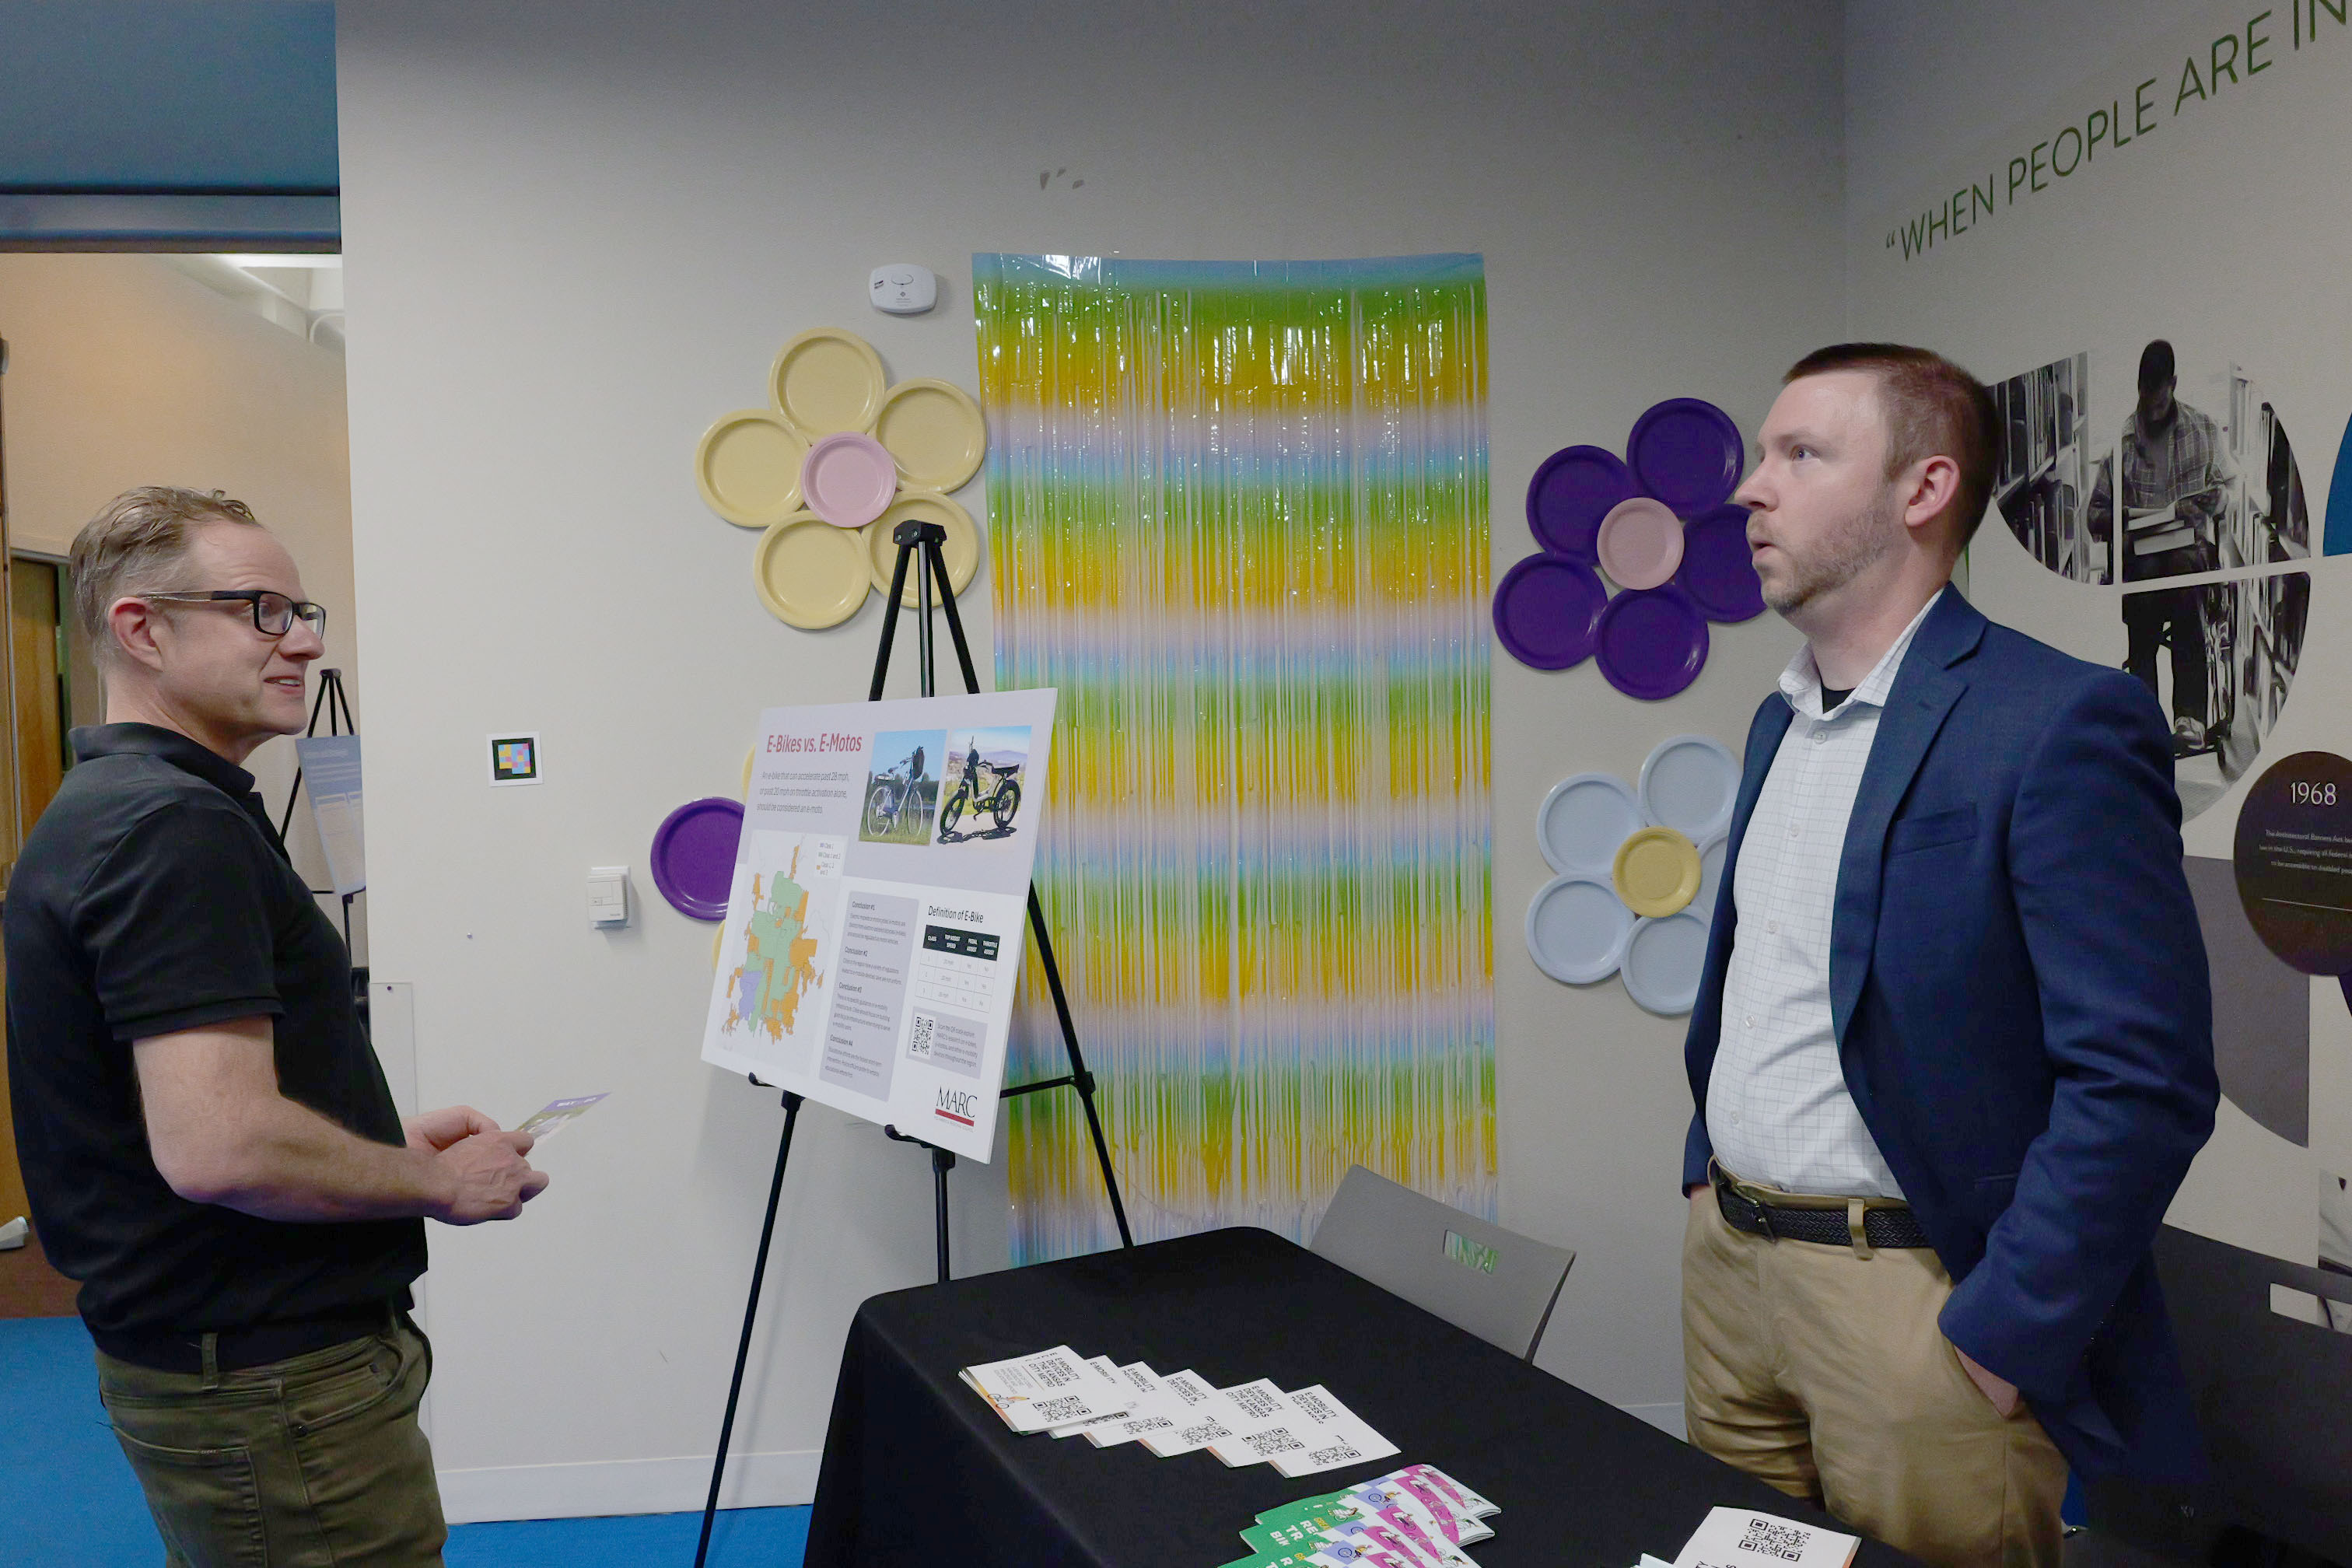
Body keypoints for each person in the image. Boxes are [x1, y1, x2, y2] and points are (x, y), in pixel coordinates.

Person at [1681, 346, 2217, 1568]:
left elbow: (2144, 1079)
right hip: (1731, 1273)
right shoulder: (1779, 718)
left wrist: (2006, 1328)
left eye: (1801, 455)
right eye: (1763, 455)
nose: (1752, 488)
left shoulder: (2058, 721)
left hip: (1916, 1306)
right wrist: (1707, 1168)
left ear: (1922, 490)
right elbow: (1763, 978)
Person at [4, 487, 548, 1566]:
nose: (303, 641)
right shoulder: (170, 828)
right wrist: (434, 1183)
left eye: (303, 613)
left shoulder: (117, 806)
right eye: (261, 610)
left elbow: (177, 1112)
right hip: (274, 1387)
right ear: (143, 630)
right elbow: (221, 1145)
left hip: (227, 1366)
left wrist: (375, 1146)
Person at [2088, 340, 2234, 754]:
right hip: (2143, 559)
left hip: (2189, 554)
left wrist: (2215, 500)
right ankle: (2146, 720)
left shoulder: (2204, 429)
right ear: (2138, 387)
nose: (2151, 411)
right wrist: (2128, 516)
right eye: (2145, 400)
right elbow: (2094, 516)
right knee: (2146, 593)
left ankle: (2189, 718)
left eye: (2159, 401)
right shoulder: (2122, 441)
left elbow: (2227, 491)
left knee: (2185, 581)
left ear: (2174, 385)